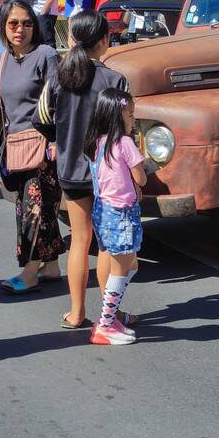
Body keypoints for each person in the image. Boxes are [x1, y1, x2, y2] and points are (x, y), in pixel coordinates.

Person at [33, 11, 126, 330]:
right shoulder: (115, 80)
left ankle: (76, 313)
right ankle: (108, 315)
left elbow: (41, 119)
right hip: (108, 173)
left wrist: (60, 141)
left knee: (80, 240)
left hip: (70, 169)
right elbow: (124, 130)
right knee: (104, 244)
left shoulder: (58, 75)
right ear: (103, 40)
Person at [0, 1, 64, 294]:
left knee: (33, 209)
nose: (20, 29)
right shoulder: (2, 62)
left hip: (43, 149)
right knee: (33, 208)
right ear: (3, 27)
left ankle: (29, 272)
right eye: (13, 23)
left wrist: (54, 142)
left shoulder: (46, 55)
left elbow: (60, 104)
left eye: (27, 23)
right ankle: (50, 266)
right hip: (15, 148)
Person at [85, 86, 146, 346]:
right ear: (116, 117)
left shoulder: (96, 143)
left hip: (103, 211)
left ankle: (110, 318)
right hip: (121, 214)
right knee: (122, 269)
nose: (133, 119)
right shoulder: (125, 143)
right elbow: (140, 176)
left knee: (129, 263)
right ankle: (106, 325)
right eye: (130, 115)